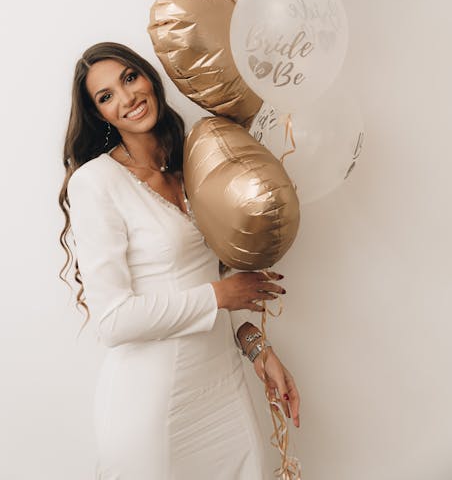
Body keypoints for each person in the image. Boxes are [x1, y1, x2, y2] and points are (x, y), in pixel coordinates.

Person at [59, 41, 300, 480]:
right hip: (150, 407)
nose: (127, 97)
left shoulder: (193, 166)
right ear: (98, 115)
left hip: (224, 393)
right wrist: (221, 295)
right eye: (106, 95)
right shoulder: (97, 182)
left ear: (148, 77)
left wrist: (258, 349)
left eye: (129, 78)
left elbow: (203, 283)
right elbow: (114, 320)